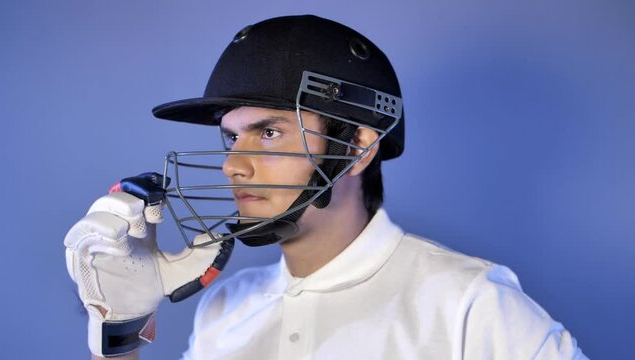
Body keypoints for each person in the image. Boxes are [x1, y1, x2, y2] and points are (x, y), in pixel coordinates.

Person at [64, 15, 587, 359]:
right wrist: (122, 335)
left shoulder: (469, 304)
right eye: (230, 137)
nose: (233, 167)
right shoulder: (225, 308)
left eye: (268, 132)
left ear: (358, 146)